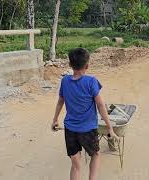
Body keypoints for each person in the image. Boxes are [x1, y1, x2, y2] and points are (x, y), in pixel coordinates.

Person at [51, 48, 118, 180]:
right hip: (87, 129)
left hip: (70, 129)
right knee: (96, 155)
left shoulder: (64, 81)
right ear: (87, 65)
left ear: (70, 65)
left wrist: (55, 120)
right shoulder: (91, 81)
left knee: (75, 164)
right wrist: (109, 127)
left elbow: (60, 101)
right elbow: (100, 105)